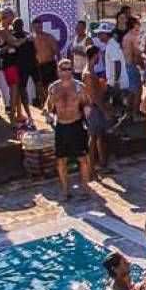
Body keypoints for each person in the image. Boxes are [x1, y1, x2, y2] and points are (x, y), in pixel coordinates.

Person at [44, 59, 92, 200]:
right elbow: (48, 105)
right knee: (61, 160)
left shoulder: (79, 87)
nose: (66, 72)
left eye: (69, 69)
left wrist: (87, 109)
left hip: (76, 124)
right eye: (63, 69)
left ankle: (84, 189)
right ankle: (66, 191)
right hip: (61, 126)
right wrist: (48, 113)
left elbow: (87, 102)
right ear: (58, 71)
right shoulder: (53, 88)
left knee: (83, 159)